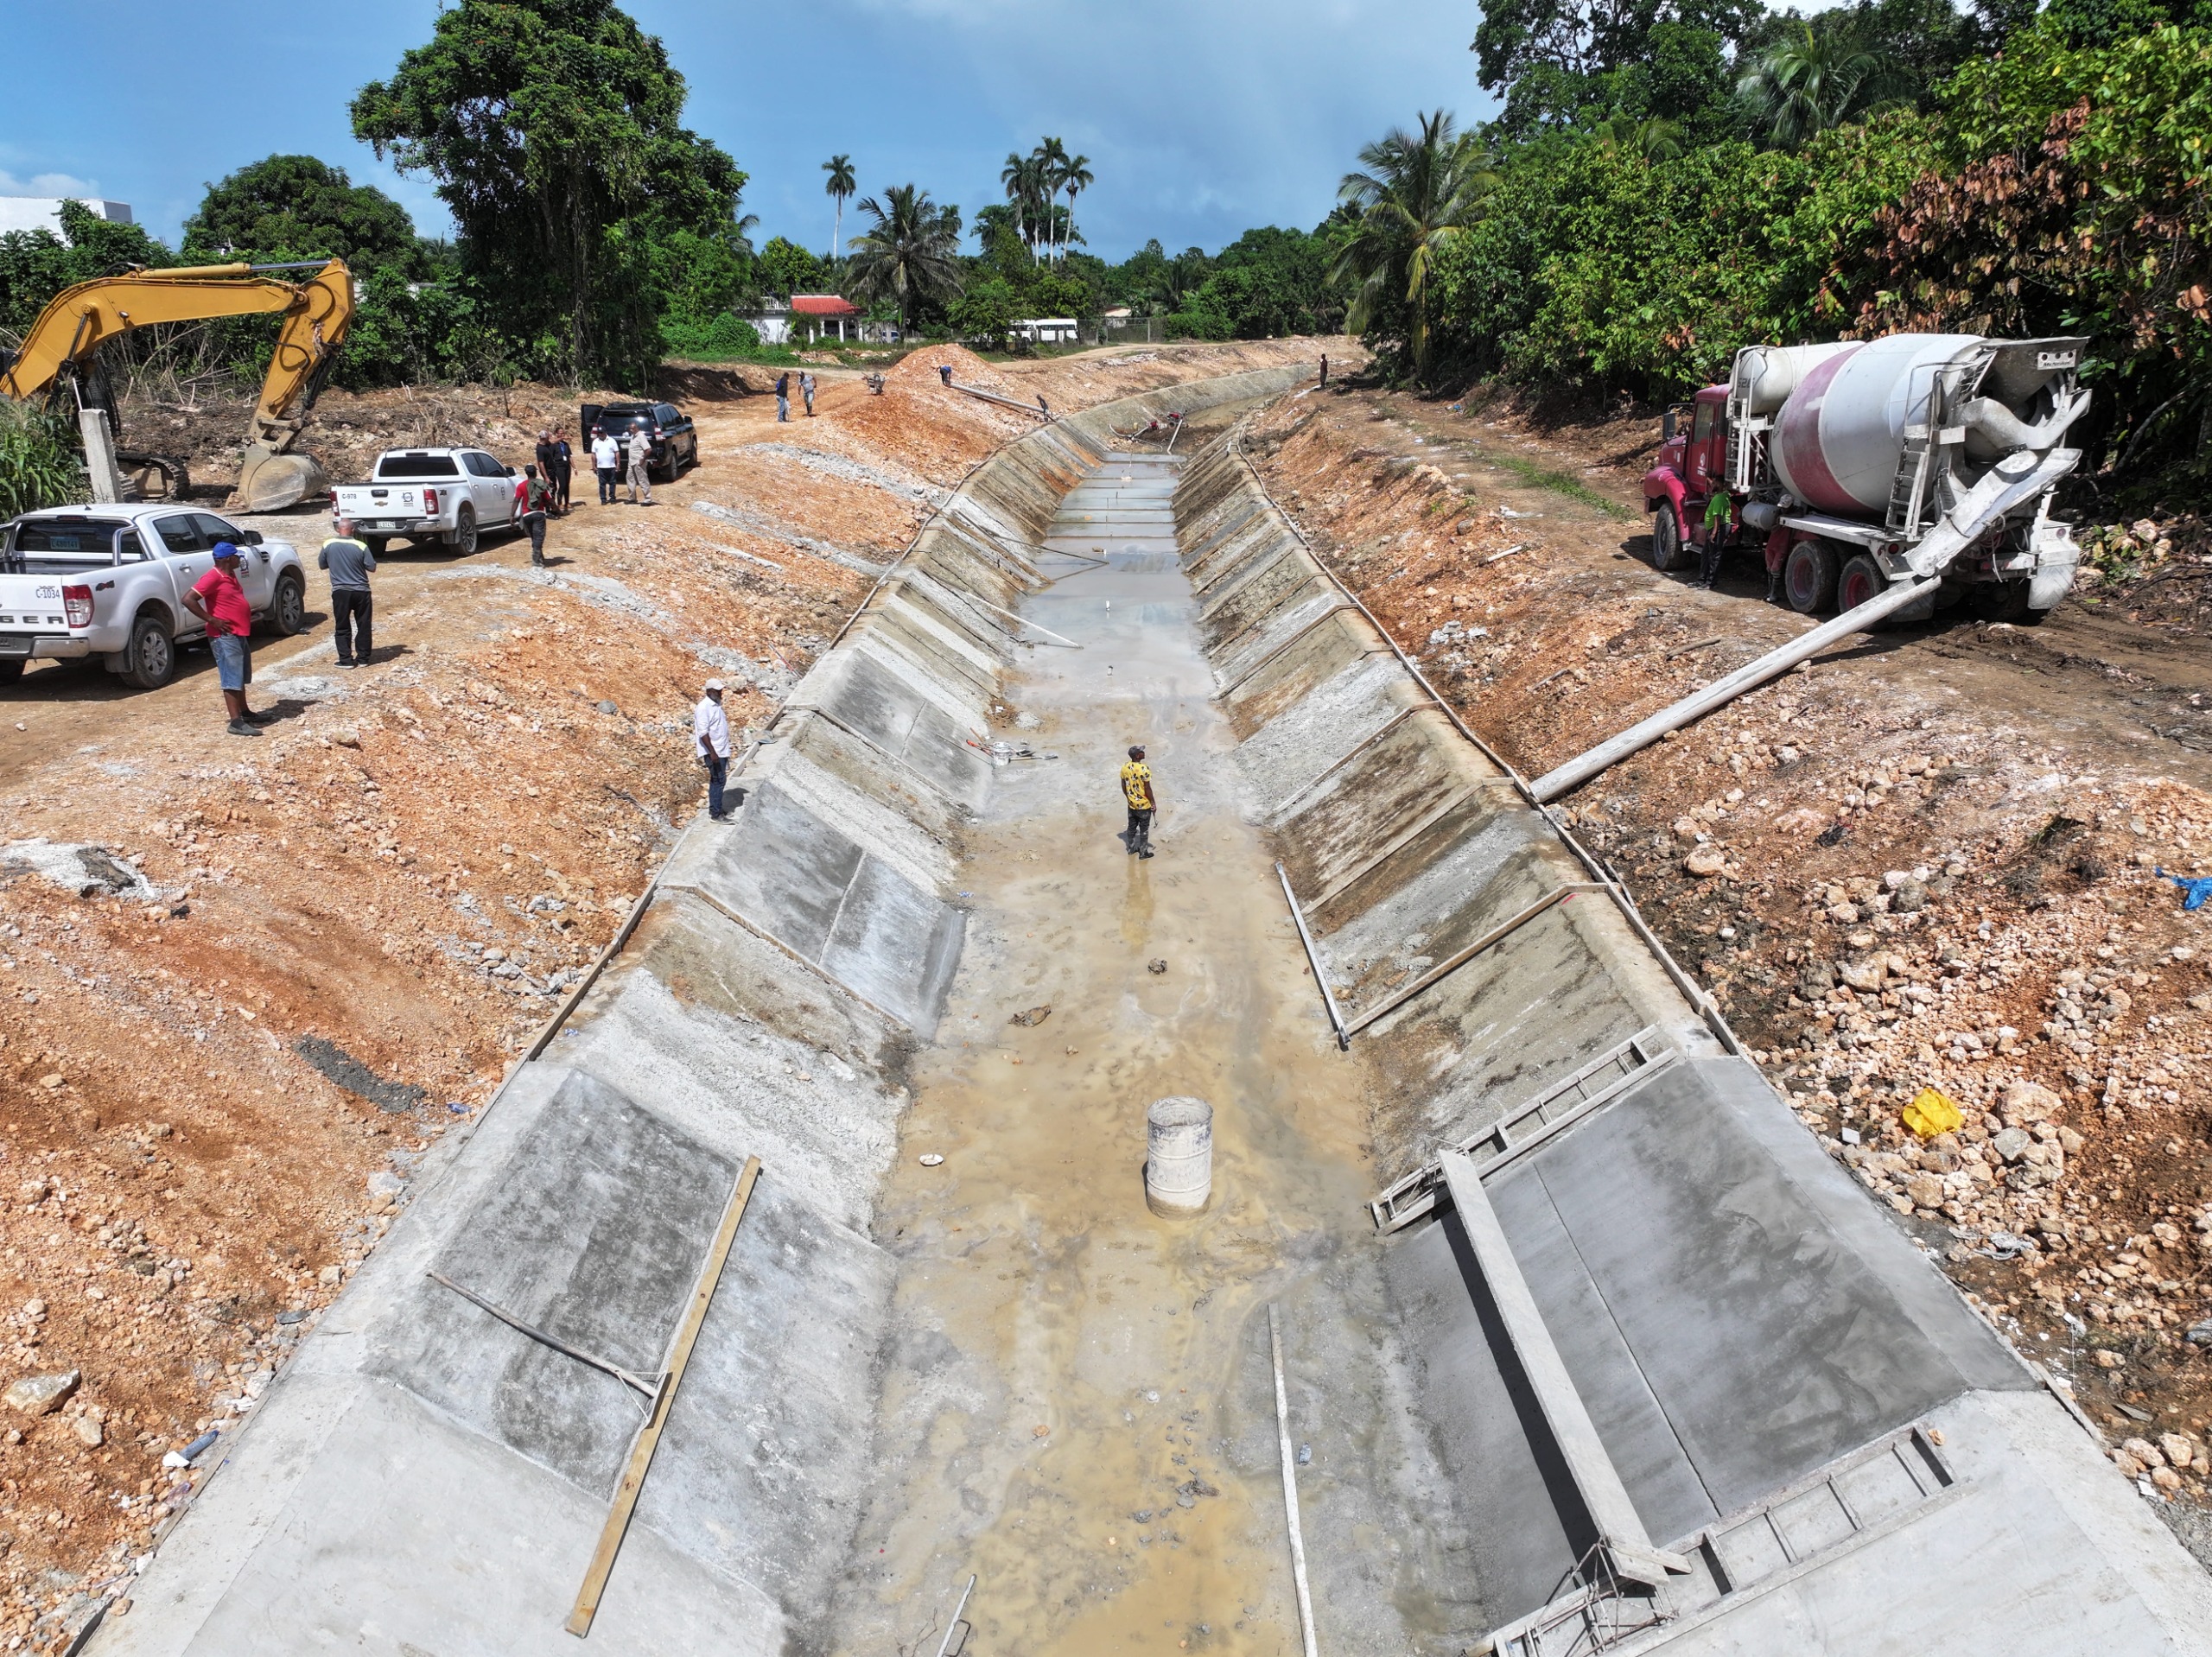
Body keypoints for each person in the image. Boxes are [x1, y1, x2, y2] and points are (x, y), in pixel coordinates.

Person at [182, 543, 268, 737]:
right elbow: (188, 599)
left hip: (238, 631)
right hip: (224, 635)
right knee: (231, 677)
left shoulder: (229, 575)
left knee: (239, 674)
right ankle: (236, 722)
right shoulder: (213, 577)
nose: (240, 559)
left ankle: (244, 712)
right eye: (237, 556)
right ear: (228, 559)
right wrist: (213, 620)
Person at [320, 517, 376, 668]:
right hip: (361, 591)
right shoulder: (361, 545)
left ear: (338, 529)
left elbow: (322, 564)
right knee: (364, 624)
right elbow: (372, 567)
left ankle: (345, 660)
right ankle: (363, 659)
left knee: (342, 625)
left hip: (340, 591)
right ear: (353, 530)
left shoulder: (328, 544)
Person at [694, 678, 733, 821]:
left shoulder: (716, 705)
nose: (720, 693)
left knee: (718, 779)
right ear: (709, 691)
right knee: (718, 780)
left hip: (721, 749)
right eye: (717, 691)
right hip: (714, 751)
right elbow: (703, 733)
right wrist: (712, 752)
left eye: (720, 690)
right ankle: (716, 814)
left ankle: (716, 808)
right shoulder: (704, 708)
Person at [1120, 745, 1156, 860]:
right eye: (1141, 752)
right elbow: (1147, 788)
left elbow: (1123, 785)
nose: (1143, 752)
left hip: (1131, 804)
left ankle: (1131, 849)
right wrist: (1153, 802)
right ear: (1137, 756)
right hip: (1144, 805)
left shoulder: (1125, 767)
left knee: (1132, 827)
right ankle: (1143, 853)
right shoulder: (1144, 769)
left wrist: (1128, 797)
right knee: (1144, 829)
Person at [516, 464, 554, 565]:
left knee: (534, 537)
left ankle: (540, 558)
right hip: (539, 514)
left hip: (526, 515)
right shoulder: (540, 484)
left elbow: (516, 500)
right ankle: (536, 560)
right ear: (536, 473)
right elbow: (549, 499)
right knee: (539, 537)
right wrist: (558, 510)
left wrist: (511, 516)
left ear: (526, 473)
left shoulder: (521, 486)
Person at [1700, 491, 1732, 589]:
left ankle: (1711, 583)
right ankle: (1701, 580)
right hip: (1715, 528)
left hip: (1718, 528)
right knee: (1706, 554)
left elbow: (1717, 516)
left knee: (1714, 556)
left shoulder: (1719, 498)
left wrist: (1714, 533)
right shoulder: (1719, 497)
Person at [625, 423, 654, 506]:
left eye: (633, 428)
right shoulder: (633, 436)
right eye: (630, 429)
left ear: (637, 428)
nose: (631, 430)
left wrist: (642, 460)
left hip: (638, 462)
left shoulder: (641, 436)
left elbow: (648, 449)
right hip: (631, 462)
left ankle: (648, 498)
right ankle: (632, 498)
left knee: (642, 479)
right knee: (629, 478)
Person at [591, 425, 620, 505]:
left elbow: (617, 452)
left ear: (605, 432)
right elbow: (593, 454)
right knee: (602, 484)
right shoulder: (595, 442)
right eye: (599, 433)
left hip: (611, 466)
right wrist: (593, 465)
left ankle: (612, 497)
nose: (600, 434)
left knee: (612, 482)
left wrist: (618, 464)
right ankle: (603, 498)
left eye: (601, 433)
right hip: (601, 467)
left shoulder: (612, 441)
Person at [551, 429, 573, 511]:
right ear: (556, 434)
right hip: (559, 466)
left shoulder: (565, 444)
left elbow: (570, 456)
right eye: (560, 433)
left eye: (563, 433)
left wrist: (574, 467)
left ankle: (567, 502)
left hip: (567, 465)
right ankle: (559, 502)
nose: (562, 435)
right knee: (562, 484)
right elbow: (552, 442)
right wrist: (563, 438)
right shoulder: (554, 444)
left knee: (567, 485)